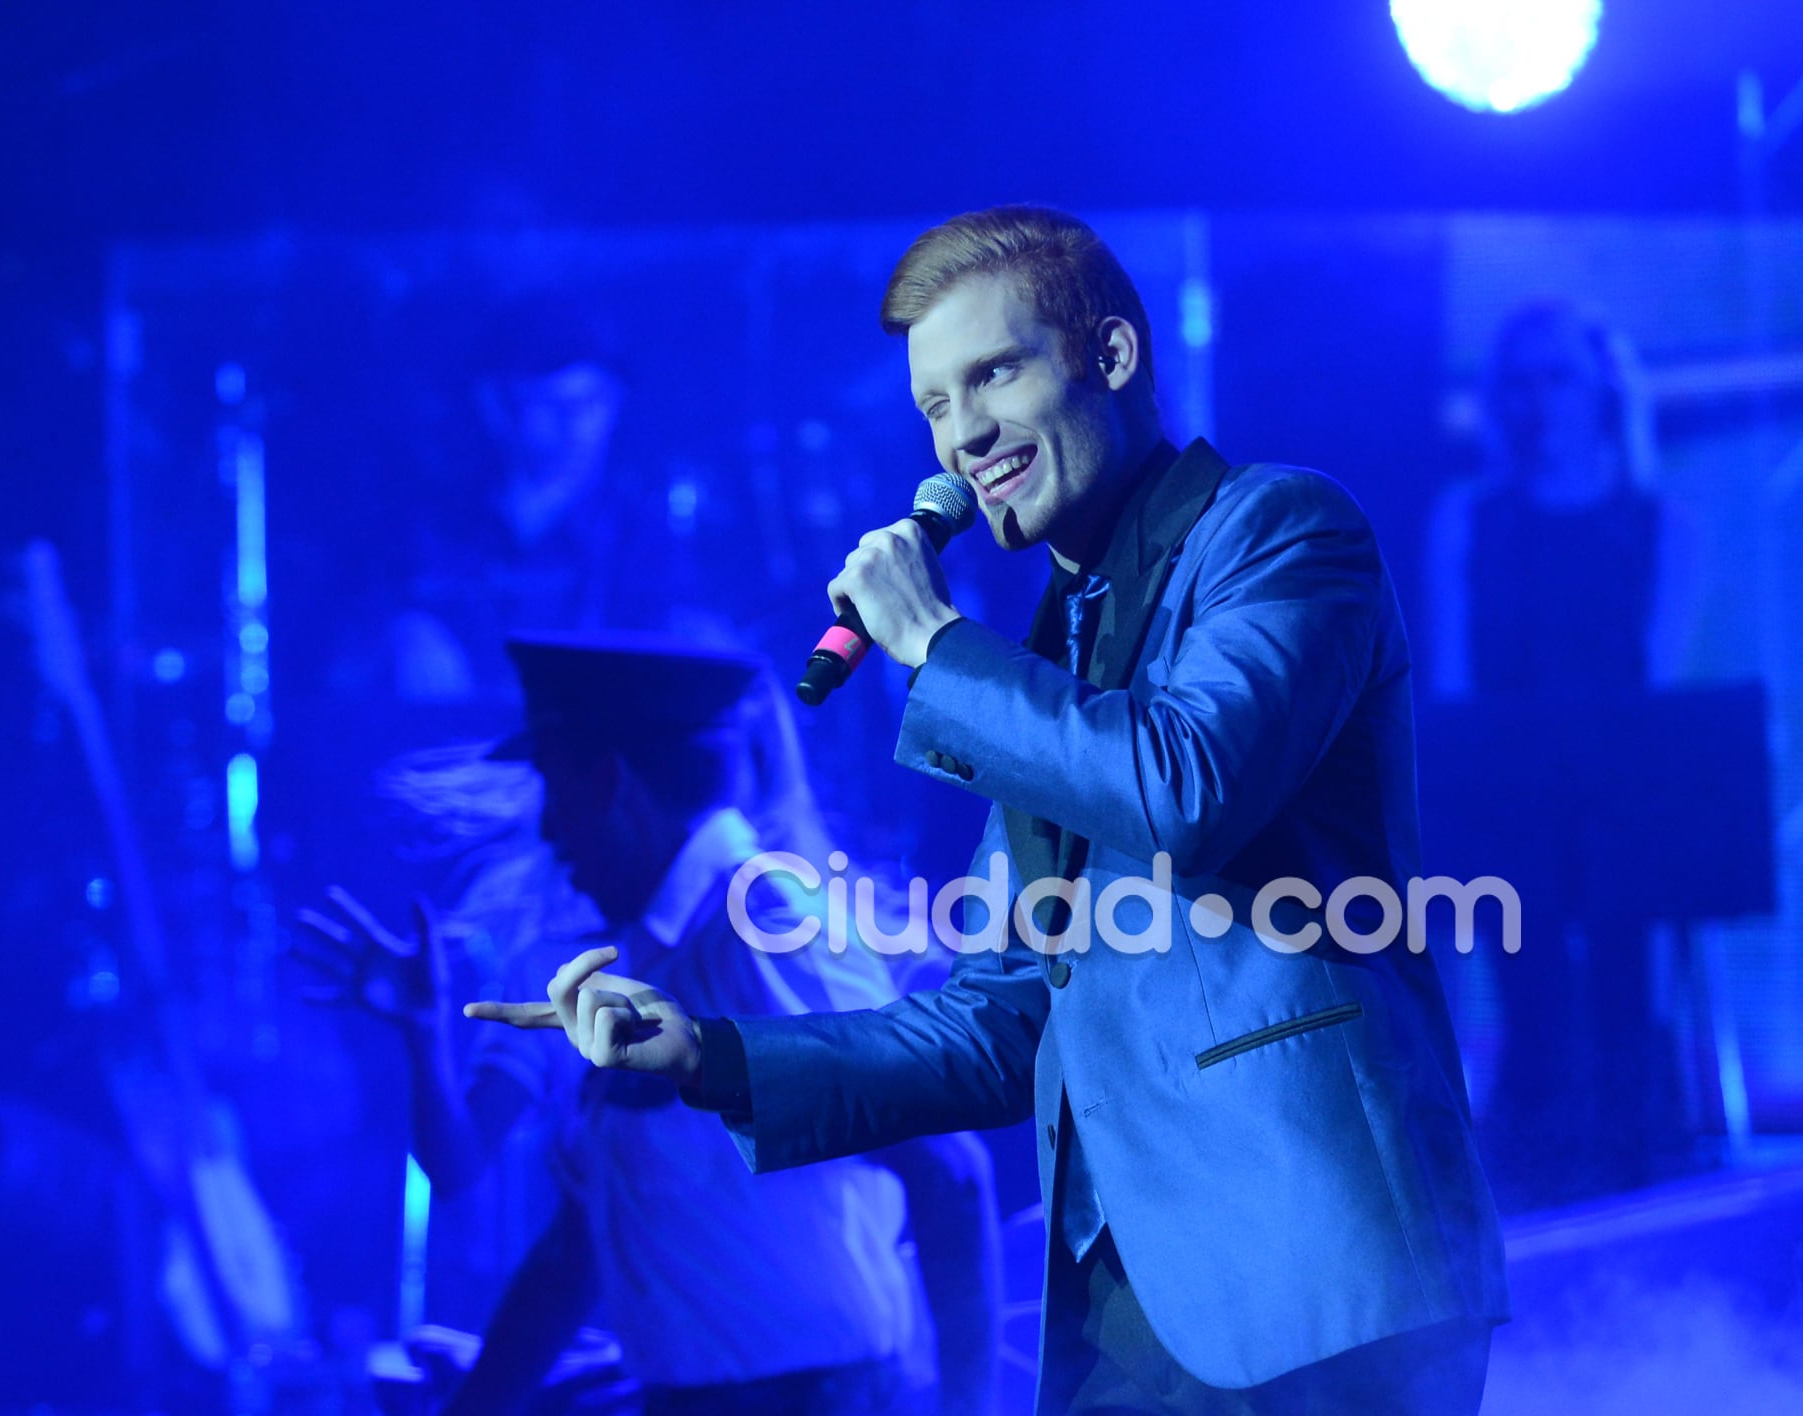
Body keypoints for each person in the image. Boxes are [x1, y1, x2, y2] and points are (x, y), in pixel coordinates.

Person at [473, 206, 1510, 1414]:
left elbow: (1183, 789)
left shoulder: (1279, 532)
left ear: (1109, 357)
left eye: (991, 375)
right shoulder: (1048, 651)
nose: (959, 435)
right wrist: (703, 1053)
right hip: (1123, 1318)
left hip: (1310, 1266)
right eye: (931, 406)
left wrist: (931, 643)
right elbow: (995, 1023)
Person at [303, 633, 1003, 1416]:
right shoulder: (652, 959)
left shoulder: (758, 930)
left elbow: (947, 1172)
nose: (545, 831)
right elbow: (579, 1247)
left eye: (552, 789)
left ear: (609, 784)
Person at [1426, 300, 1698, 1207]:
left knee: (1628, 1002)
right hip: (1510, 818)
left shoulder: (1660, 524)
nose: (1538, 403)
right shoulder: (1466, 522)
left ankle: (1638, 1172)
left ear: (1602, 394)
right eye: (1520, 382)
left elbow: (1657, 696)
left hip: (1626, 813)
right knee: (1532, 1000)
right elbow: (1459, 702)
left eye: (1558, 379)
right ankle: (1537, 1180)